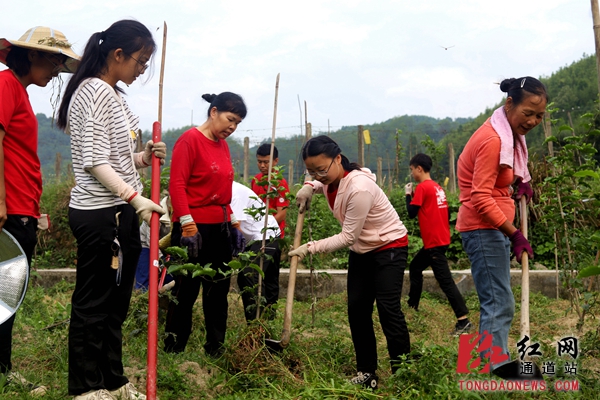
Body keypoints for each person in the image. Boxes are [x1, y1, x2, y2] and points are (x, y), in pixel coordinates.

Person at [56, 20, 166, 400]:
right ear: (117, 55)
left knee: (115, 305)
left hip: (119, 211)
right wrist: (134, 198)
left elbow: (116, 159)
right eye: (140, 61)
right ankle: (85, 388)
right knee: (93, 304)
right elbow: (93, 162)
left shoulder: (114, 95)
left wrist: (143, 158)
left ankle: (112, 380)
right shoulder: (93, 91)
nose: (141, 71)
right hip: (100, 213)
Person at [290, 136, 410, 389]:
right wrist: (310, 185)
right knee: (357, 310)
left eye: (321, 170)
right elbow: (319, 179)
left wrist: (309, 248)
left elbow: (347, 237)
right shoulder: (331, 178)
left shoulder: (359, 188)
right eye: (311, 170)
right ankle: (367, 373)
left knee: (388, 310)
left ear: (337, 159)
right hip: (362, 249)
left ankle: (404, 372)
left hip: (388, 246)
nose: (318, 175)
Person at [0, 25, 80, 396]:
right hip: (9, 209)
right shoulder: (4, 85)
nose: (56, 70)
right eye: (53, 60)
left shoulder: (19, 92)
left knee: (7, 294)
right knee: (4, 292)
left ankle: (3, 368)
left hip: (22, 208)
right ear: (31, 54)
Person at [456, 77, 546, 379]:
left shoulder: (507, 135)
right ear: (510, 104)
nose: (533, 121)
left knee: (496, 297)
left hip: (490, 227)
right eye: (528, 113)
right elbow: (480, 196)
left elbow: (497, 178)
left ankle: (483, 363)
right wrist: (514, 233)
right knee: (499, 300)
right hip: (484, 228)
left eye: (539, 116)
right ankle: (496, 368)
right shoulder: (494, 140)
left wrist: (520, 180)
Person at [164, 92, 247, 358]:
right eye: (230, 119)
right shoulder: (189, 140)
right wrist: (187, 224)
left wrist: (233, 222)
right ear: (214, 112)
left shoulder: (222, 145)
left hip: (220, 226)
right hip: (194, 229)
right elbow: (176, 185)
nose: (232, 127)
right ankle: (174, 349)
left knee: (218, 290)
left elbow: (222, 189)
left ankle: (216, 349)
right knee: (185, 291)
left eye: (237, 123)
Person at [404, 153, 472, 336]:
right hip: (439, 240)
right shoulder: (437, 187)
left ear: (419, 168)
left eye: (412, 170)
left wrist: (407, 194)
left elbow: (411, 212)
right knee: (415, 267)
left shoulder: (423, 188)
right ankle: (412, 306)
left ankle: (463, 320)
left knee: (446, 282)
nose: (412, 174)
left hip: (434, 243)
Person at [231, 181, 281, 322]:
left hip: (265, 235)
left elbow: (236, 229)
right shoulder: (222, 190)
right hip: (259, 237)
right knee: (266, 281)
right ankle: (266, 324)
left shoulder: (234, 192)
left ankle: (257, 325)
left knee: (249, 276)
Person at [135, 194, 172, 291]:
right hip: (146, 245)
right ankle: (142, 299)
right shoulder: (155, 210)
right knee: (145, 275)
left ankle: (164, 300)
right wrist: (161, 259)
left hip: (166, 247)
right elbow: (150, 240)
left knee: (171, 275)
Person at [251, 144, 290, 238]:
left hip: (273, 234)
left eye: (266, 162)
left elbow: (281, 214)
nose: (262, 166)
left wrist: (265, 228)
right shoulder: (256, 180)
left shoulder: (280, 183)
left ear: (276, 161)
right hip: (256, 233)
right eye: (259, 162)